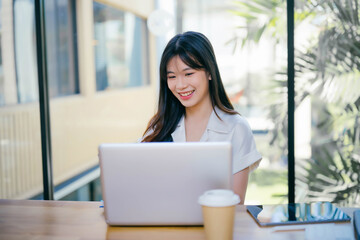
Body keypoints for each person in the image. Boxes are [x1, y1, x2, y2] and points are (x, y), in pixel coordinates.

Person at [141, 31, 261, 204]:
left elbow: (236, 204)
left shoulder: (236, 128)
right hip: (164, 226)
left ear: (210, 72)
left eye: (188, 74)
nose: (180, 85)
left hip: (214, 227)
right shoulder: (159, 126)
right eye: (172, 77)